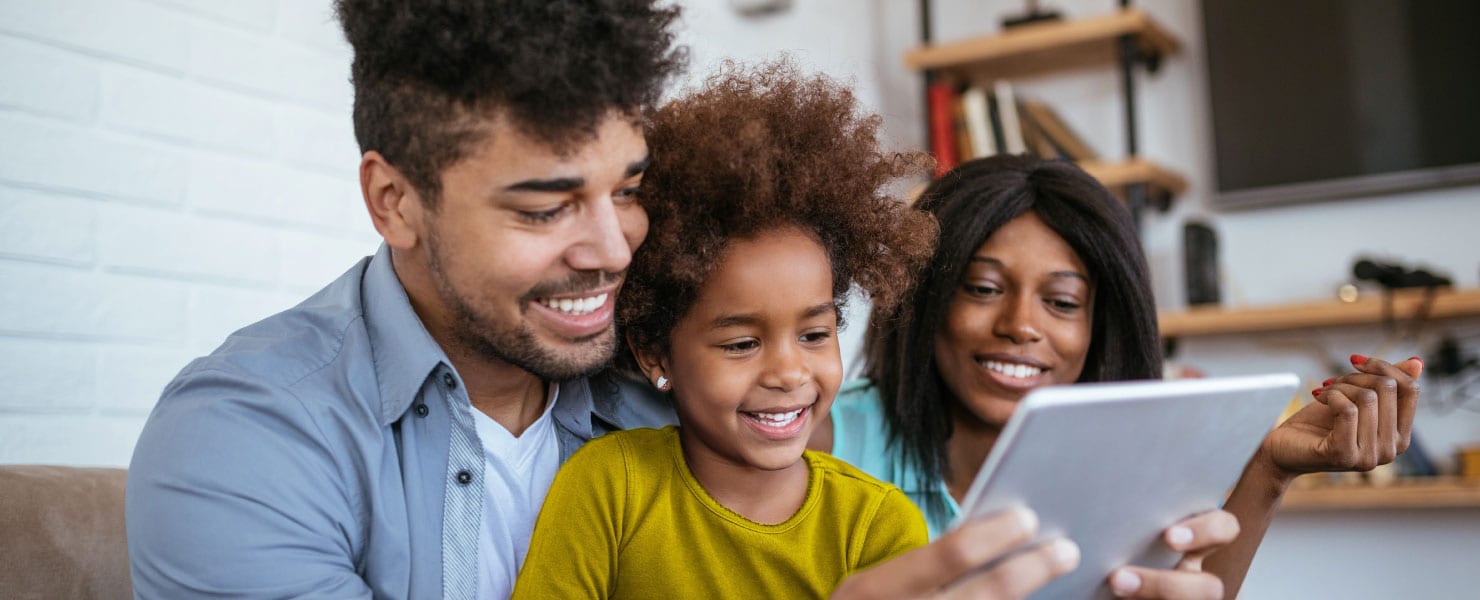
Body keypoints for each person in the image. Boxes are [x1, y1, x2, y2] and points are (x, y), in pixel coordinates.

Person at [124, 2, 1081, 598]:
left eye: (627, 188)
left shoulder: (654, 407)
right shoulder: (248, 439)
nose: (615, 245)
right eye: (545, 207)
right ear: (396, 201)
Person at [816, 155, 1424, 600]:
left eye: (1062, 302)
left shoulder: (1136, 460)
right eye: (982, 288)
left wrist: (1270, 469)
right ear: (924, 302)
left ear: (1100, 326)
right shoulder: (822, 439)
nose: (1021, 325)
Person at [510, 62, 950, 598]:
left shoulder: (877, 525)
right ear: (655, 356)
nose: (790, 373)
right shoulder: (609, 487)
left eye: (815, 334)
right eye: (742, 344)